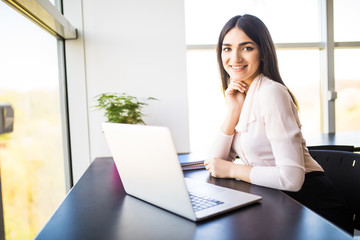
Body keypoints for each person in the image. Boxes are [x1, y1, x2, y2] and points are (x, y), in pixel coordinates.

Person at [204, 14, 353, 235]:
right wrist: (233, 111)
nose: (234, 57)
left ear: (263, 52)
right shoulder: (242, 95)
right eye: (227, 49)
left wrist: (233, 169)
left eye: (246, 48)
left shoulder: (271, 92)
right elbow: (215, 163)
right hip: (279, 201)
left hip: (314, 211)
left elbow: (291, 179)